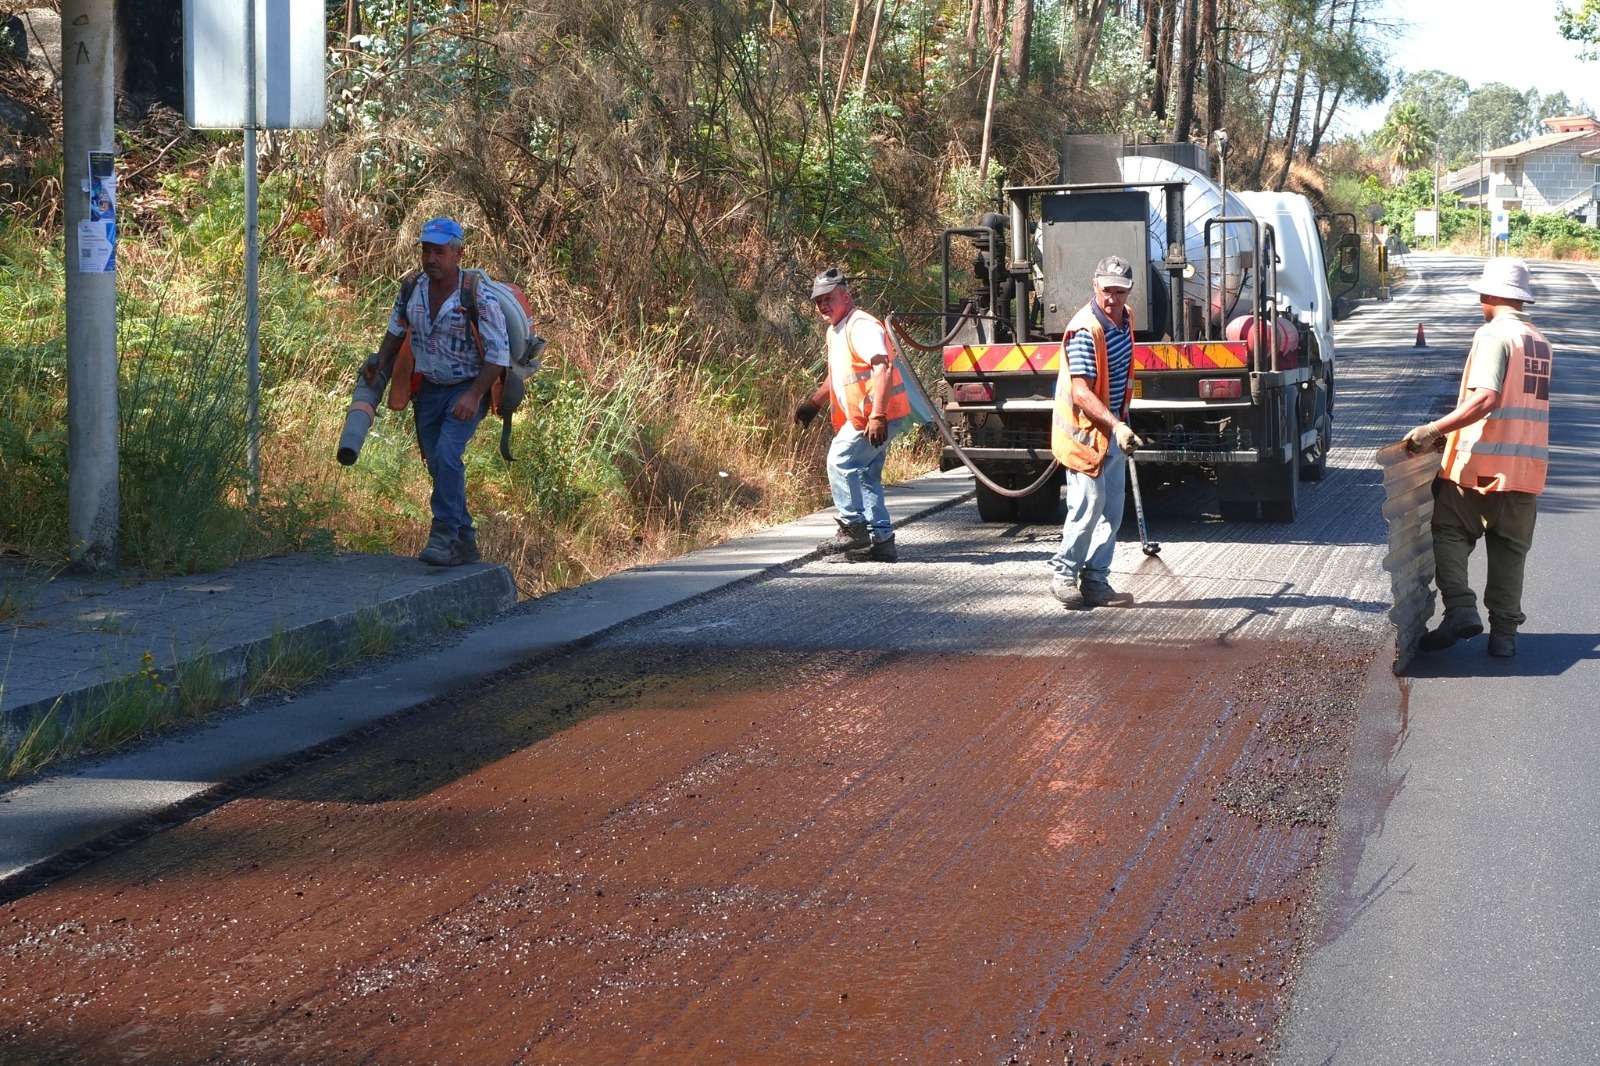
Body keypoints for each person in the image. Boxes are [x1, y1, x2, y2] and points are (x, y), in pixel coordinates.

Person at [1406, 257, 1552, 658]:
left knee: (1448, 530)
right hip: (1525, 472)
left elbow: (1485, 398)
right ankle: (1504, 637)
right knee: (1510, 552)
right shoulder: (1539, 340)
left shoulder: (1492, 336)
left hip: (1480, 470)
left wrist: (1434, 430)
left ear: (1488, 295)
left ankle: (1460, 609)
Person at [365, 217, 510, 567]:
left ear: (458, 253)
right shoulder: (412, 288)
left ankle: (443, 535)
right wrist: (380, 360)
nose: (431, 258)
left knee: (447, 454)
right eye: (426, 251)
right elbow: (397, 329)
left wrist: (473, 395)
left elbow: (498, 353)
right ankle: (466, 541)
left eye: (439, 252)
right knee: (438, 464)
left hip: (466, 387)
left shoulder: (477, 295)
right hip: (428, 389)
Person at [794, 267, 912, 563]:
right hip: (872, 416)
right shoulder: (837, 328)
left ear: (846, 296)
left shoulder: (860, 326)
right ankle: (882, 541)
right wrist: (814, 403)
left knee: (840, 461)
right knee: (865, 473)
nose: (822, 305)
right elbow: (839, 374)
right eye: (818, 300)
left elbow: (881, 367)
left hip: (874, 417)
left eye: (828, 298)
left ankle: (854, 529)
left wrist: (877, 416)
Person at [1047, 255, 1144, 608]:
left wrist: (1121, 420)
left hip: (1114, 430)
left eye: (1120, 292)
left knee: (1112, 510)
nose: (1112, 299)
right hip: (1085, 436)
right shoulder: (1087, 329)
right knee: (1087, 505)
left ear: (1129, 292)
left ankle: (1096, 581)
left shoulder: (1125, 319)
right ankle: (1063, 575)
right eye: (1107, 291)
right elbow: (1081, 391)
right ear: (1095, 286)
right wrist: (1116, 425)